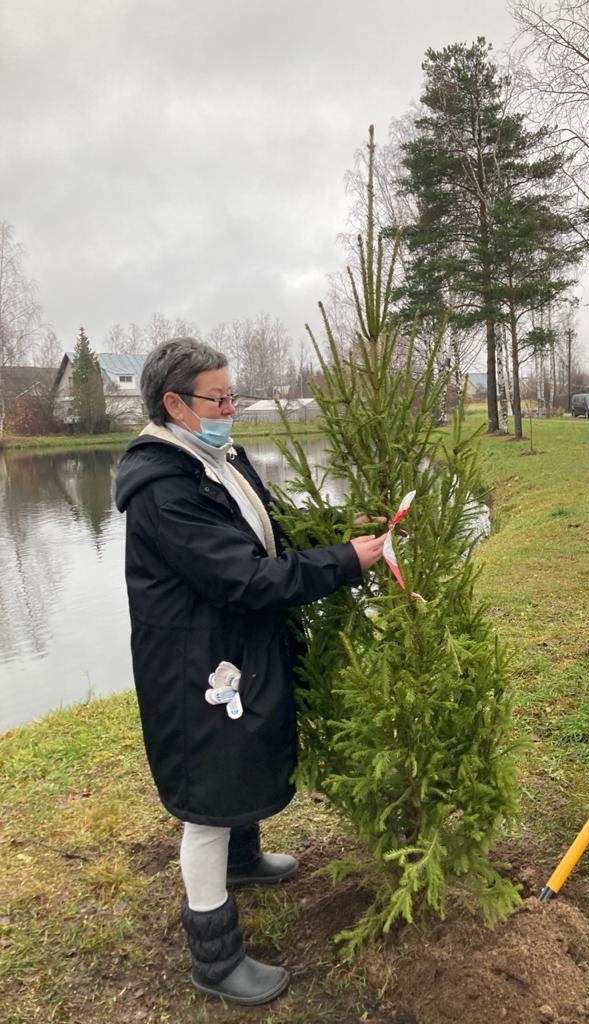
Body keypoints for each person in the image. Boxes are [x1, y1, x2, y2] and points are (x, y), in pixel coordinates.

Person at [114, 337, 386, 1005]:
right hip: (191, 663)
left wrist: (342, 528)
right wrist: (346, 563)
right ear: (174, 405)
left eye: (233, 395)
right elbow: (244, 577)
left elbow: (272, 530)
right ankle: (214, 952)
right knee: (206, 798)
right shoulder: (165, 488)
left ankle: (244, 860)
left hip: (228, 646)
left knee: (235, 759)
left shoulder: (219, 460)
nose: (231, 407)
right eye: (219, 397)